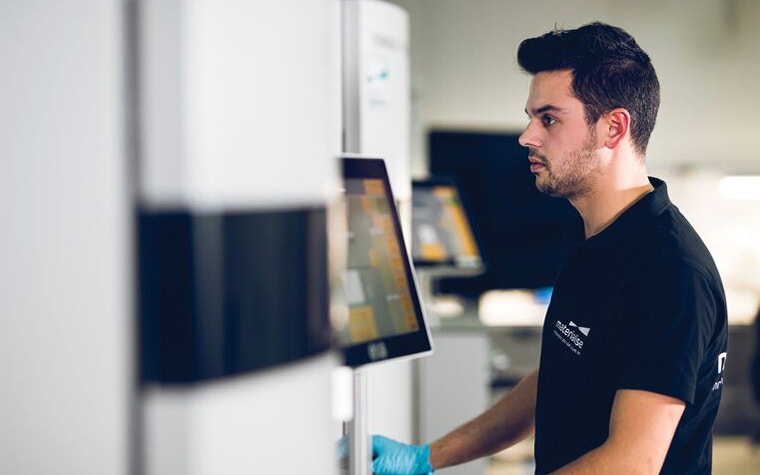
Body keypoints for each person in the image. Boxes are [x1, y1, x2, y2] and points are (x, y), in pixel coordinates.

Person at [371, 22, 728, 475]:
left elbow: (631, 463)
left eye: (549, 119)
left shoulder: (671, 273)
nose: (527, 136)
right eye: (531, 117)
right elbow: (557, 379)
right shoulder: (596, 238)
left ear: (613, 128)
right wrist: (427, 457)